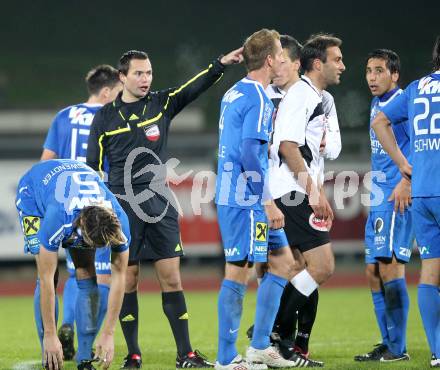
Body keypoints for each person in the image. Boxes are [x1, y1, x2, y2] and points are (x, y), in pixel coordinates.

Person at [87, 46, 243, 369]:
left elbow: (191, 88)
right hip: (123, 207)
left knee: (171, 277)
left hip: (158, 203)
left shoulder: (160, 104)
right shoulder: (104, 118)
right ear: (122, 77)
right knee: (128, 280)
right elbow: (92, 168)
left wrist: (219, 65)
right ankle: (133, 353)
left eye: (149, 73)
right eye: (139, 73)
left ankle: (185, 353)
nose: (145, 79)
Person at [214, 28, 322, 370]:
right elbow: (247, 152)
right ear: (271, 59)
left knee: (284, 262)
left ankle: (260, 346)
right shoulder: (259, 98)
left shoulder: (234, 92)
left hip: (244, 196)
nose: (282, 60)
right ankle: (225, 357)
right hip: (245, 200)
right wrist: (267, 201)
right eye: (279, 54)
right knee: (238, 272)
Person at [247, 34, 341, 361]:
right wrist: (314, 191)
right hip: (290, 191)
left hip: (289, 189)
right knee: (321, 265)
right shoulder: (300, 95)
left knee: (298, 266)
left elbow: (310, 148)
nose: (343, 66)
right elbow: (287, 147)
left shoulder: (312, 97)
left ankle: (284, 342)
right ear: (317, 63)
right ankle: (272, 330)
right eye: (338, 59)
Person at [15, 159, 130, 370]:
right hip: (33, 195)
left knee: (86, 270)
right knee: (49, 273)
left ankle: (84, 358)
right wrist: (50, 335)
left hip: (76, 192)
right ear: (81, 225)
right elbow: (47, 279)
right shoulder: (58, 217)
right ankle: (49, 356)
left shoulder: (119, 220)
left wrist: (109, 333)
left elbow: (121, 275)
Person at [41, 64, 122, 361]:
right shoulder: (110, 116)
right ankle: (89, 350)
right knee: (99, 278)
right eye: (116, 93)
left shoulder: (63, 115)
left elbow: (45, 160)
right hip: (95, 201)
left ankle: (65, 325)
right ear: (105, 92)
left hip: (63, 202)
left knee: (74, 271)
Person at [372, 35, 440, 368]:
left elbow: (379, 121)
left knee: (430, 271)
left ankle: (437, 352)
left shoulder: (417, 88)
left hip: (423, 192)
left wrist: (404, 169)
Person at [354, 49, 413, 362]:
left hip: (396, 196)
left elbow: (423, 143)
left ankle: (398, 347)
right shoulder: (377, 104)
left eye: (379, 70)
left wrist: (407, 181)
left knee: (391, 268)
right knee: (372, 271)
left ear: (395, 75)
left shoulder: (404, 104)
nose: (372, 77)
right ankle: (387, 341)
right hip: (378, 196)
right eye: (368, 70)